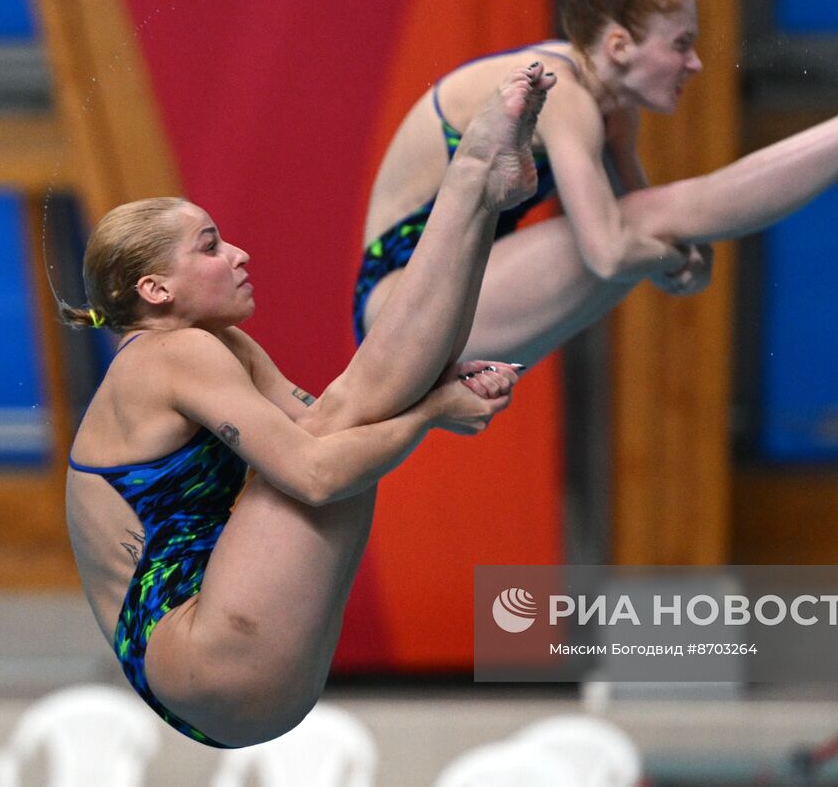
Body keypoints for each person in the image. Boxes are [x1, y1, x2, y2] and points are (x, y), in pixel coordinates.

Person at [61, 64, 555, 748]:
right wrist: (432, 412)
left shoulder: (218, 345)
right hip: (206, 654)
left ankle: (482, 193)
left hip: (229, 684)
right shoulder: (167, 355)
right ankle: (471, 182)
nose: (238, 253)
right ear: (155, 289)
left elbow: (340, 413)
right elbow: (317, 474)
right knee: (351, 426)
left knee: (355, 412)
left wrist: (434, 387)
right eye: (209, 246)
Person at [354, 0, 838, 364]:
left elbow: (653, 222)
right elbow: (609, 249)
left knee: (655, 214)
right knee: (642, 222)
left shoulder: (610, 106)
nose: (696, 65)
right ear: (621, 46)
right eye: (681, 46)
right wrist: (665, 254)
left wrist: (676, 257)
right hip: (399, 306)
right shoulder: (563, 96)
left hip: (451, 293)